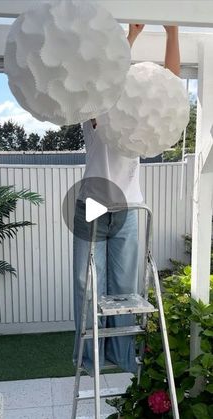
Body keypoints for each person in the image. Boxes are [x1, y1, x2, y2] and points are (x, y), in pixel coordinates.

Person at [73, 24, 180, 376]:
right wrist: (129, 39)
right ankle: (90, 359)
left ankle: (121, 356)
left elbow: (171, 91)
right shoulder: (93, 107)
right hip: (93, 203)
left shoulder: (138, 116)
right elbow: (103, 75)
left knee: (123, 286)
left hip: (130, 206)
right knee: (88, 283)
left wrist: (172, 32)